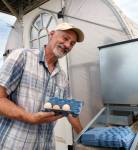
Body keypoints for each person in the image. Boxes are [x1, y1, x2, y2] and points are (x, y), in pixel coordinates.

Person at [0, 22, 84, 150]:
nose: (67, 45)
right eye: (65, 38)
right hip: (15, 145)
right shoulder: (22, 56)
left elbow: (70, 111)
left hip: (46, 146)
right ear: (51, 35)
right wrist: (30, 118)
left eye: (72, 43)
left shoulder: (62, 77)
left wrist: (84, 137)